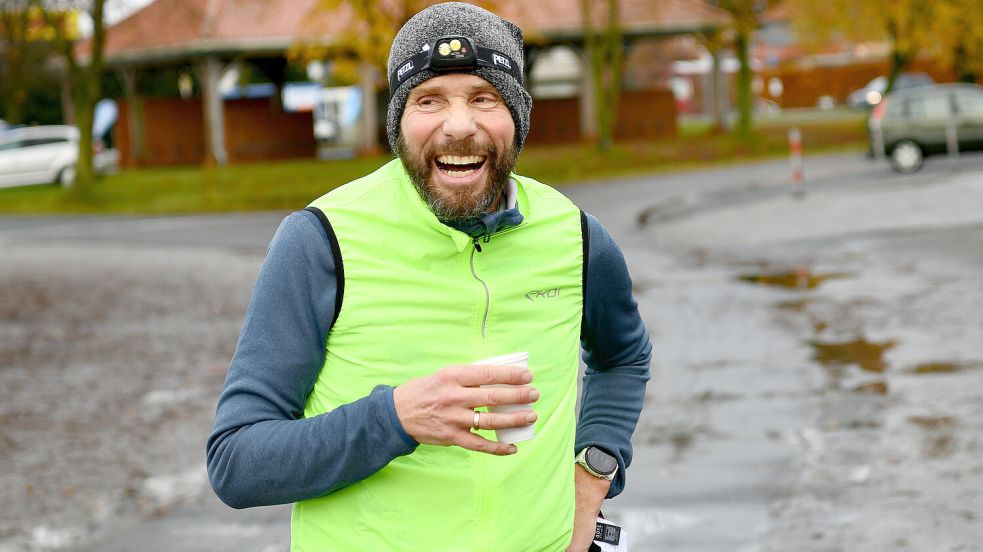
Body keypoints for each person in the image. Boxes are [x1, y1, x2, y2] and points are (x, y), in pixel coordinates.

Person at [206, 3, 650, 551]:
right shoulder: (320, 242)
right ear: (398, 120)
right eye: (429, 100)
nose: (458, 126)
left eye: (484, 98)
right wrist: (396, 418)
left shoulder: (576, 237)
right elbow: (236, 463)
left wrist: (594, 473)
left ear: (518, 116)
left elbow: (622, 357)